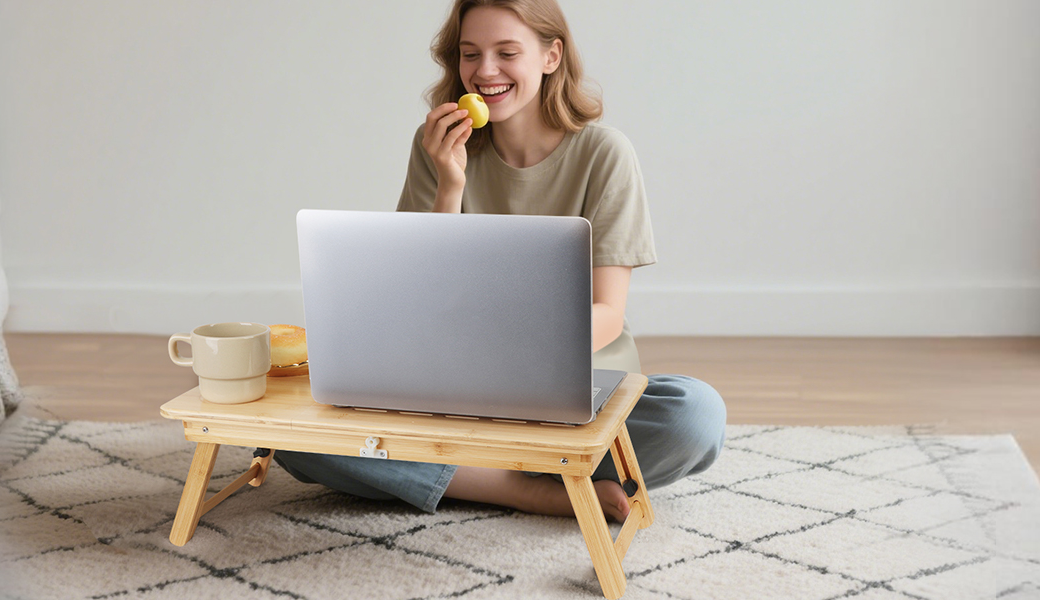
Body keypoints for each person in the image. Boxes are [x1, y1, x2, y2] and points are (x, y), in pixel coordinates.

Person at [274, 0, 727, 523]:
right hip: (457, 392)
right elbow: (419, 299)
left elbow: (607, 310)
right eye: (471, 54)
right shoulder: (436, 149)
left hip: (576, 390)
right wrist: (450, 184)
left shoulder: (605, 155)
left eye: (506, 52)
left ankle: (462, 472)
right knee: (288, 435)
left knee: (695, 415)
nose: (484, 71)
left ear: (551, 56)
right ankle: (529, 489)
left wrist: (513, 359)